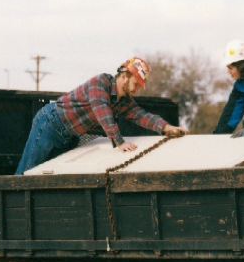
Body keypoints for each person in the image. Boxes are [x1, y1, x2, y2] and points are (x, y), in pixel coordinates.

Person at [15, 57, 188, 175]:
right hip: (50, 125)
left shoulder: (124, 102)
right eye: (136, 84)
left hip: (69, 136)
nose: (136, 90)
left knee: (49, 176)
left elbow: (142, 115)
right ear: (125, 76)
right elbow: (102, 110)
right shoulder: (101, 83)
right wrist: (119, 142)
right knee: (28, 172)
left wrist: (167, 128)